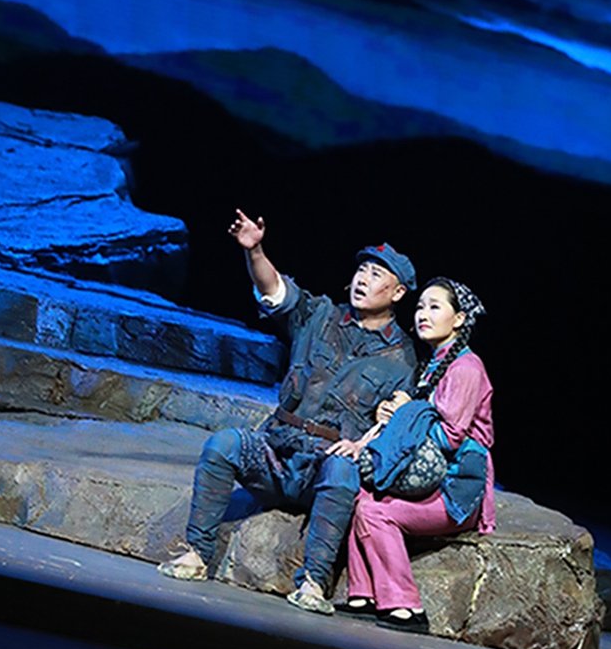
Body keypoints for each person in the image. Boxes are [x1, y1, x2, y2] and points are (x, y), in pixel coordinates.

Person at [158, 209, 418, 614]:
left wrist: (360, 447)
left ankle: (313, 582)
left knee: (343, 473)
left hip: (323, 468)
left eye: (376, 274)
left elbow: (393, 426)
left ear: (398, 293)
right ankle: (197, 553)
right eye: (361, 270)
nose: (363, 279)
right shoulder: (320, 315)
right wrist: (255, 250)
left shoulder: (402, 359)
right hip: (277, 452)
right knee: (224, 444)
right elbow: (276, 291)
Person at [340, 277, 494, 633]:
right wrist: (392, 417)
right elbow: (418, 417)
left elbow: (450, 437)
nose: (423, 314)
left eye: (435, 307)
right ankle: (364, 594)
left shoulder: (466, 368)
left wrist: (407, 413)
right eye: (421, 306)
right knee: (361, 496)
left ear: (459, 319)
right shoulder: (435, 364)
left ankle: (406, 606)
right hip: (430, 476)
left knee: (377, 512)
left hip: (456, 487)